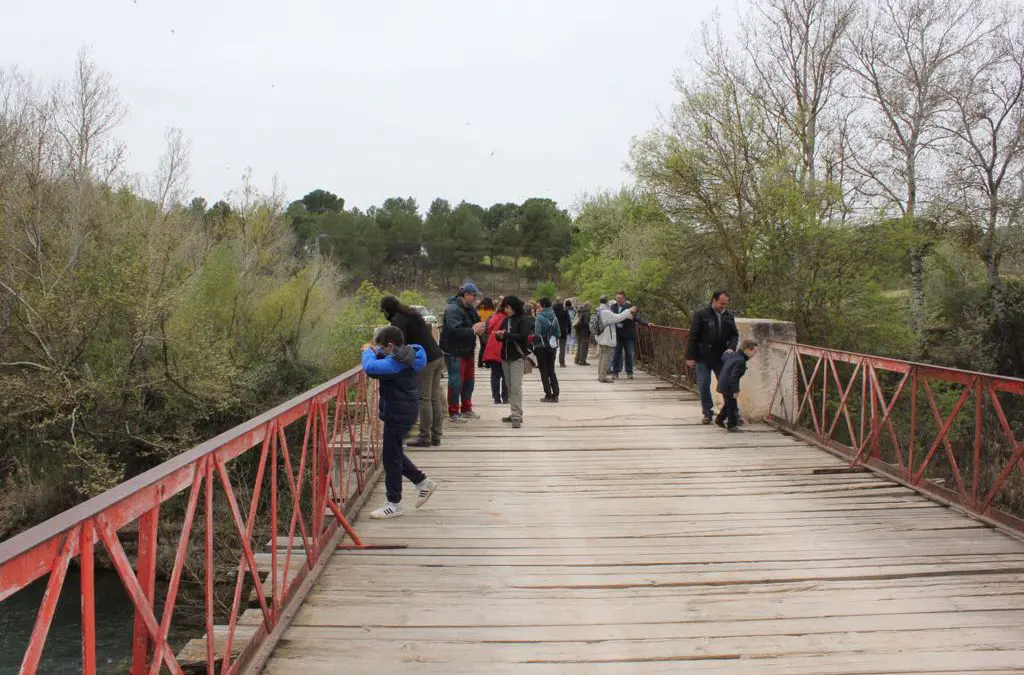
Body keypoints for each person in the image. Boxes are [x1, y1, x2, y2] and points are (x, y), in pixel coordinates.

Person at [360, 327, 440, 519]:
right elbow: (384, 357)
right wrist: (377, 351)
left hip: (398, 412)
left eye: (382, 347)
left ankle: (394, 503)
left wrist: (366, 352)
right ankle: (422, 482)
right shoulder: (408, 354)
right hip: (404, 410)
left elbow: (371, 368)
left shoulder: (396, 363)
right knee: (392, 453)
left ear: (390, 345)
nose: (380, 350)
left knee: (391, 458)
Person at [379, 296, 445, 448]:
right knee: (434, 398)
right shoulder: (411, 313)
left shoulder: (398, 321)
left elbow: (399, 347)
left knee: (424, 398)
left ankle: (424, 435)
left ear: (387, 311)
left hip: (426, 361)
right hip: (437, 356)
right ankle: (436, 435)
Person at [685, 290, 740, 425]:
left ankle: (733, 413)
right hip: (702, 356)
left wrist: (731, 348)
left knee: (727, 385)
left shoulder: (729, 316)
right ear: (713, 301)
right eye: (721, 303)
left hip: (721, 357)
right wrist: (690, 356)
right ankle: (707, 413)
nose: (723, 306)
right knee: (703, 385)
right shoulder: (701, 314)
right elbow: (693, 336)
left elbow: (734, 335)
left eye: (726, 304)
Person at [439, 283, 485, 423]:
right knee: (456, 381)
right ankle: (454, 411)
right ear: (465, 295)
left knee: (469, 381)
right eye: (474, 295)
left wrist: (482, 329)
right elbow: (455, 331)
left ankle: (466, 408)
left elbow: (477, 323)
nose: (475, 299)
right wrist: (473, 331)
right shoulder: (452, 309)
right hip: (454, 351)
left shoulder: (470, 307)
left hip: (468, 350)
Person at [495, 296, 531, 429]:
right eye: (505, 307)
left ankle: (516, 415)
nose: (506, 310)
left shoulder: (524, 320)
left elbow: (523, 336)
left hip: (517, 357)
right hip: (505, 357)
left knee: (516, 386)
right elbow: (504, 337)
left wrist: (505, 335)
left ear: (514, 307)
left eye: (508, 307)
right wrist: (499, 336)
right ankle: (515, 411)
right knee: (510, 386)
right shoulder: (505, 320)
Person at [593, 295, 639, 383]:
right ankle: (603, 376)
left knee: (602, 357)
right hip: (606, 338)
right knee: (606, 357)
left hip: (601, 337)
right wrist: (629, 310)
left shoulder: (598, 310)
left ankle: (600, 375)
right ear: (607, 302)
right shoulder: (605, 311)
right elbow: (617, 318)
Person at [716, 340, 758, 431]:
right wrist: (736, 391)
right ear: (747, 350)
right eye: (754, 351)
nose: (755, 354)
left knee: (728, 403)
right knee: (732, 406)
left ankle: (719, 419)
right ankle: (732, 426)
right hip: (729, 385)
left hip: (723, 383)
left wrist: (726, 352)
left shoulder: (733, 355)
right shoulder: (740, 361)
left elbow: (724, 357)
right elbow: (733, 377)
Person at [608, 291, 647, 380]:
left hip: (628, 334)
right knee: (616, 354)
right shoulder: (613, 307)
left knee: (629, 354)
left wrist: (646, 323)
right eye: (617, 298)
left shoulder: (630, 307)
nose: (618, 300)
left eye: (620, 298)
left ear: (624, 298)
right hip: (617, 334)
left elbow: (637, 318)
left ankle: (629, 372)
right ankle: (615, 372)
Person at [482, 298, 509, 404]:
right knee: (506, 374)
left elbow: (488, 329)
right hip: (504, 348)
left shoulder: (494, 317)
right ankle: (505, 397)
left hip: (493, 348)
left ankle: (496, 397)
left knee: (495, 375)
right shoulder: (508, 319)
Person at [534, 297, 561, 403]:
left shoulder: (539, 317)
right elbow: (558, 333)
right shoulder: (554, 317)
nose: (537, 308)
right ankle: (556, 394)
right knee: (551, 370)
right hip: (552, 347)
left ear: (544, 306)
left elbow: (537, 333)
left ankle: (548, 395)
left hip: (541, 347)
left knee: (544, 371)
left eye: (539, 306)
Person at [476, 297, 496, 369]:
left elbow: (478, 317)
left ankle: (480, 363)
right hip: (488, 328)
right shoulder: (491, 309)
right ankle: (487, 363)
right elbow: (492, 319)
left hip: (480, 328)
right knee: (488, 346)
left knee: (482, 346)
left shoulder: (479, 308)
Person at [553, 299, 571, 368]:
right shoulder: (565, 312)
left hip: (554, 332)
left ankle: (552, 361)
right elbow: (568, 322)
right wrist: (569, 331)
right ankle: (562, 363)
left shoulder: (552, 312)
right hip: (563, 331)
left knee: (553, 347)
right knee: (562, 348)